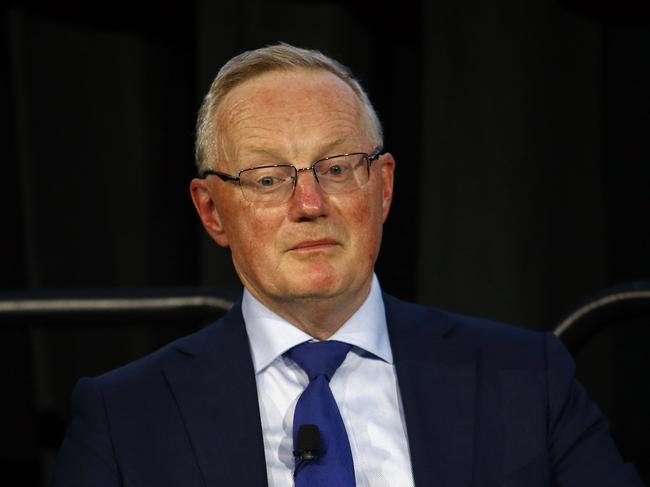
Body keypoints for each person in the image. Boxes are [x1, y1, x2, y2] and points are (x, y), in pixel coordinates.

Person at [50, 43, 644, 487]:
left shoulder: (527, 379)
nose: (308, 205)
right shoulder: (126, 417)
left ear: (383, 188)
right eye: (266, 178)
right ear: (213, 211)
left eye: (336, 169)